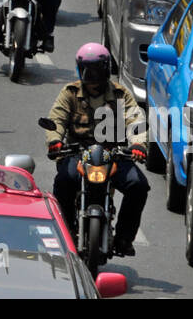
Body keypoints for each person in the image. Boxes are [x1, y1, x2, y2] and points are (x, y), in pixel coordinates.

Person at [44, 43, 149, 257]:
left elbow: (135, 119)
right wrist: (55, 141)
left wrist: (138, 144)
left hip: (114, 154)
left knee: (138, 186)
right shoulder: (70, 93)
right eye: (87, 71)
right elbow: (57, 118)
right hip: (78, 153)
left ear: (106, 69)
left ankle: (124, 238)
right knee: (63, 181)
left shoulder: (121, 94)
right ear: (79, 70)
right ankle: (64, 233)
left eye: (97, 70)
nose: (92, 77)